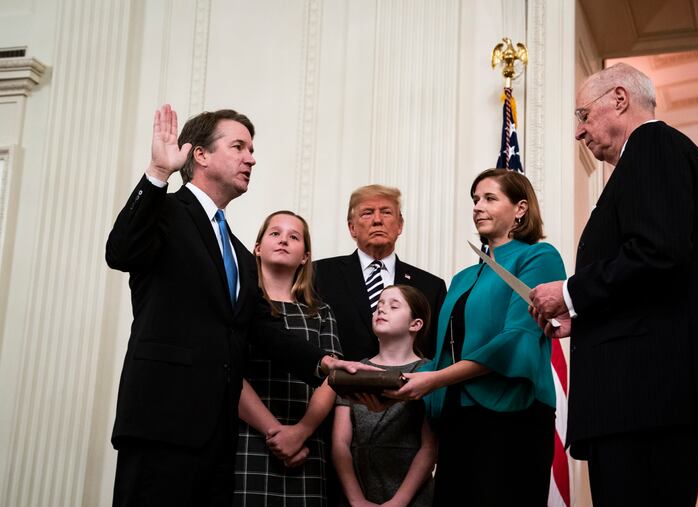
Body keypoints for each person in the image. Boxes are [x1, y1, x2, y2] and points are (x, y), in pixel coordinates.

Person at [106, 105, 368, 505]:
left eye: (251, 148)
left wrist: (325, 365)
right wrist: (157, 174)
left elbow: (262, 331)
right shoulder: (165, 214)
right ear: (201, 155)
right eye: (239, 146)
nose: (252, 157)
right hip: (162, 422)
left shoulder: (241, 254)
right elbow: (120, 251)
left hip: (219, 434)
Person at [530, 63, 698, 506]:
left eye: (583, 115)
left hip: (647, 401)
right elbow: (653, 273)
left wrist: (569, 292)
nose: (579, 132)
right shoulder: (650, 157)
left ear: (620, 99)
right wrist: (582, 314)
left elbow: (656, 251)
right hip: (644, 400)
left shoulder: (653, 146)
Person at [386, 169, 566, 506]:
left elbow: (516, 341)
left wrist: (435, 380)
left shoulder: (539, 257)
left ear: (521, 208)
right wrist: (385, 381)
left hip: (512, 418)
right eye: (474, 200)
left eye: (489, 198)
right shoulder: (463, 277)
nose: (477, 207)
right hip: (457, 421)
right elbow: (443, 355)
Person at [234, 211, 342, 506]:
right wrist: (274, 432)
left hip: (306, 444)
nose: (284, 240)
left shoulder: (320, 312)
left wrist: (300, 433)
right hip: (247, 437)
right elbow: (227, 370)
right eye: (275, 233)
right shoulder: (238, 305)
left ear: (305, 256)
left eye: (294, 237)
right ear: (257, 247)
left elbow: (333, 378)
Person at [314, 185, 447, 360]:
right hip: (337, 384)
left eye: (386, 212)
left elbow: (438, 354)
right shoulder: (319, 274)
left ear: (400, 225)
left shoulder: (431, 286)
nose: (377, 220)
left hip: (409, 385)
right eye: (367, 213)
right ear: (352, 227)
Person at [332, 285, 436, 507]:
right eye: (379, 304)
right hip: (358, 493)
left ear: (415, 324)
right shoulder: (354, 370)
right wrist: (356, 499)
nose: (382, 309)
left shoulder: (429, 373)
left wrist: (399, 502)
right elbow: (340, 442)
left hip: (412, 498)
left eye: (393, 305)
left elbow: (430, 446)